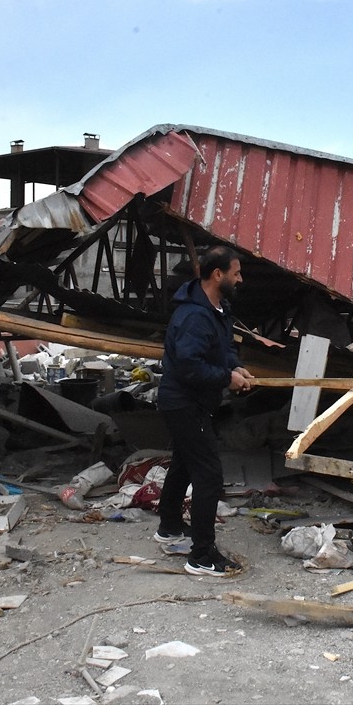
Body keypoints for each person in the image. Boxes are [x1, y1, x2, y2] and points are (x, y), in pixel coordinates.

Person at [154, 245, 255, 575]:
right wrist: (228, 379)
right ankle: (202, 556)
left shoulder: (217, 307)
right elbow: (189, 367)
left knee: (184, 464)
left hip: (194, 401)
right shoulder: (195, 316)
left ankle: (169, 528)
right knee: (209, 474)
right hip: (183, 403)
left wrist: (237, 368)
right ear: (217, 275)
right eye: (236, 273)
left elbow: (222, 350)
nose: (240, 279)